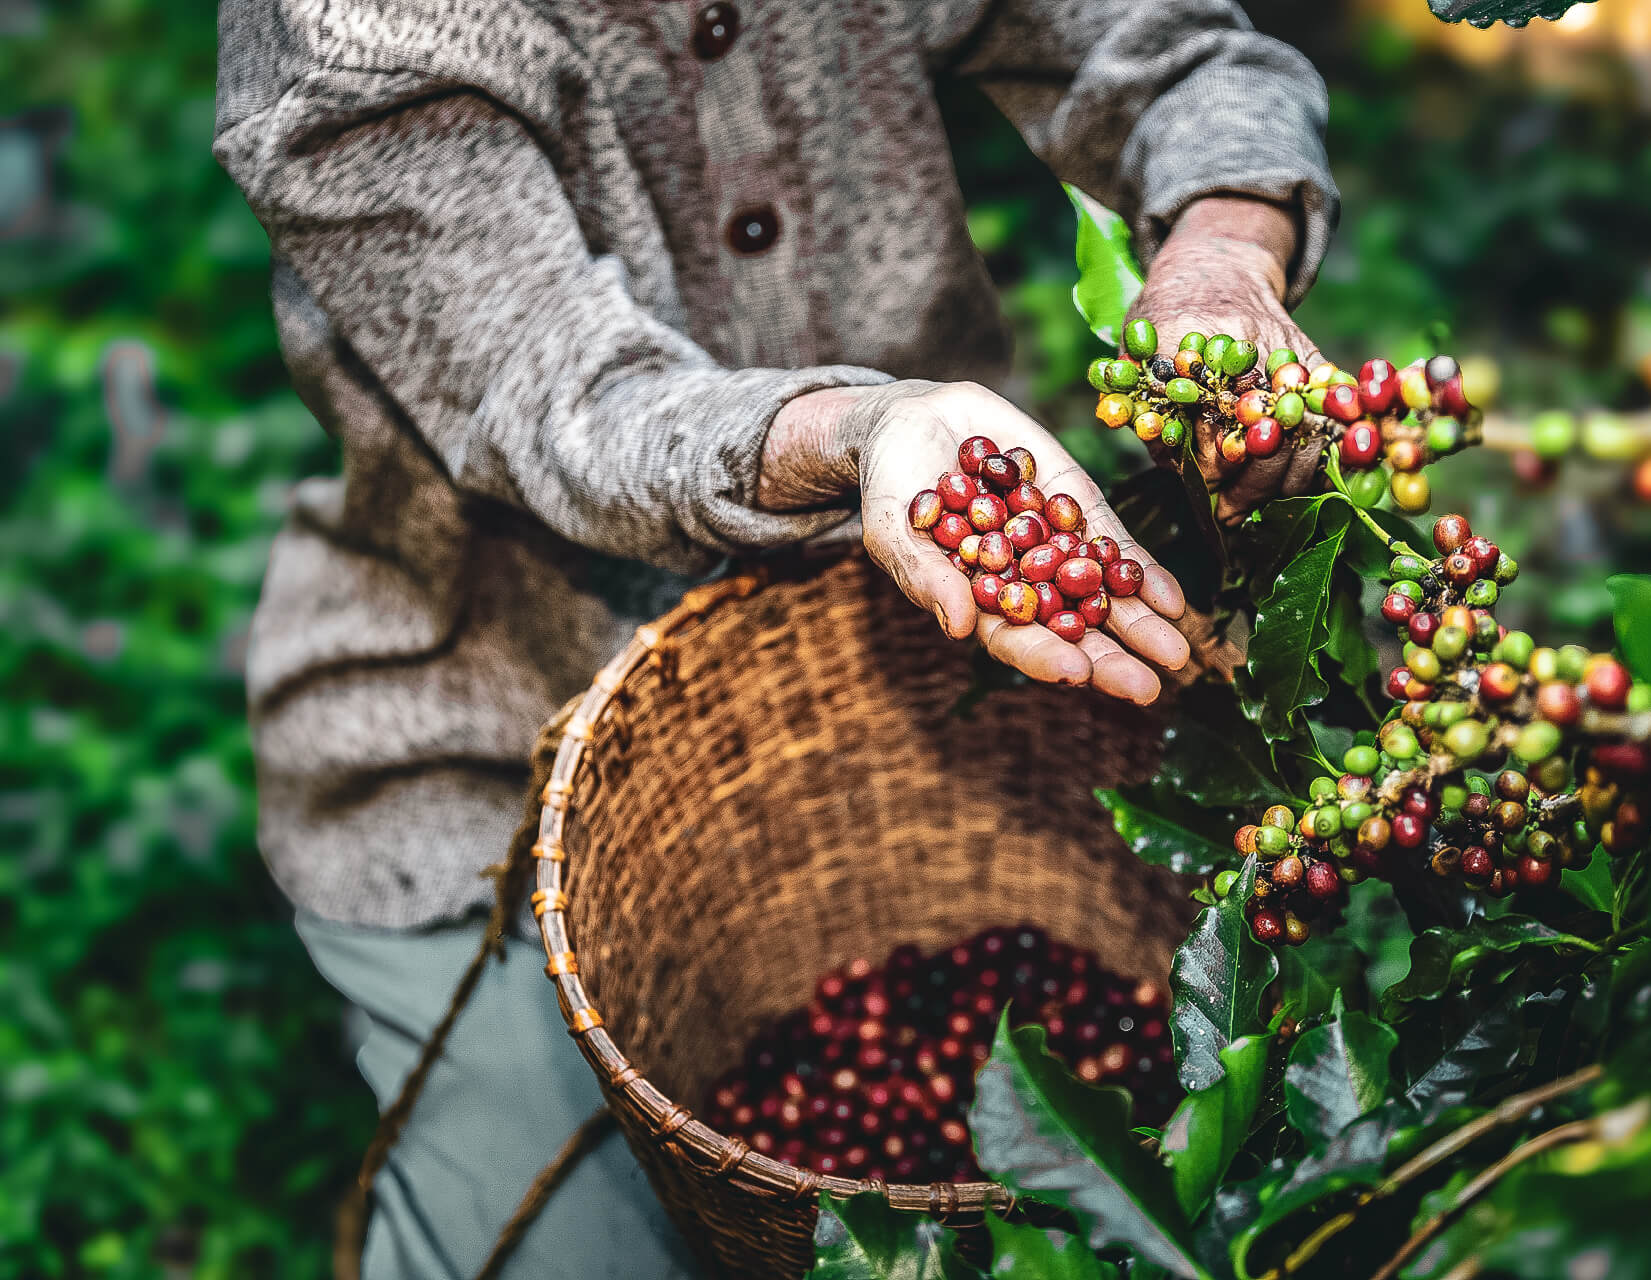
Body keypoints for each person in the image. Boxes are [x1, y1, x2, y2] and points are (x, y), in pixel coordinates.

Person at [213, 0, 1337, 1274]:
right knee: (575, 1250)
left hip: (923, 651)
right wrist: (859, 436)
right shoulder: (349, 24)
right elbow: (566, 397)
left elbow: (1180, 53)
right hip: (481, 728)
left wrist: (1219, 259)